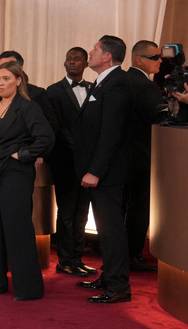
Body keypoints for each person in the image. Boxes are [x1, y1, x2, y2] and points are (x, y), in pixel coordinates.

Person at [0, 61, 55, 299]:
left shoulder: (28, 107)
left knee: (17, 229)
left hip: (15, 174)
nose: (0, 83)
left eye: (6, 78)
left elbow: (46, 137)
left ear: (19, 80)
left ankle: (28, 288)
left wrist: (24, 154)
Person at [73, 36, 134, 304]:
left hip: (108, 173)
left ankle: (119, 286)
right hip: (100, 171)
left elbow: (111, 134)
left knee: (111, 230)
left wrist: (95, 171)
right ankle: (109, 276)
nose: (90, 52)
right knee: (105, 227)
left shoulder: (117, 84)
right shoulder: (104, 82)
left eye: (95, 49)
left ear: (108, 56)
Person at [44, 47, 96, 277]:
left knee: (82, 213)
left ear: (86, 63)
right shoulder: (53, 91)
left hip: (88, 162)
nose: (72, 63)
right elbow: (55, 127)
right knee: (66, 212)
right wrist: (79, 149)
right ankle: (65, 260)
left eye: (77, 59)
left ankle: (77, 257)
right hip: (65, 160)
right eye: (69, 59)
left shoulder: (94, 88)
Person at [124, 40, 166, 272]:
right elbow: (160, 117)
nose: (160, 61)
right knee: (139, 208)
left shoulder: (122, 80)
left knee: (126, 207)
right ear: (138, 59)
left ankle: (125, 253)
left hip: (123, 157)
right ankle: (133, 254)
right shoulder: (144, 86)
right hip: (141, 157)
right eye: (155, 57)